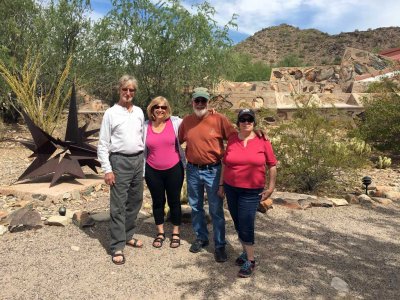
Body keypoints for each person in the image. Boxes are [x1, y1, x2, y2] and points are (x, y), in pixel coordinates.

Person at [178, 87, 236, 263]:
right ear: (192, 102)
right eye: (197, 100)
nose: (200, 104)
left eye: (203, 100)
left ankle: (219, 245)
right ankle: (201, 238)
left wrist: (255, 134)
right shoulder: (187, 121)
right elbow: (176, 140)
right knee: (195, 207)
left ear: (208, 102)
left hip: (214, 170)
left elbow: (234, 137)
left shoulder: (219, 119)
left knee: (216, 209)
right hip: (193, 170)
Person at [218, 108, 277, 278]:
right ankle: (245, 252)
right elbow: (225, 163)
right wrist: (221, 184)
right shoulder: (232, 139)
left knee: (246, 222)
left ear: (254, 122)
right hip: (231, 187)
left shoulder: (262, 140)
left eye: (249, 120)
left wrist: (271, 187)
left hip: (251, 190)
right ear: (238, 123)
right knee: (237, 221)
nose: (246, 122)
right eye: (242, 120)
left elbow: (271, 165)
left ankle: (250, 260)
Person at [97, 75, 145, 265]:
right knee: (118, 205)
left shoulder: (140, 112)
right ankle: (117, 245)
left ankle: (128, 235)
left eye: (132, 90)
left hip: (138, 160)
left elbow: (143, 138)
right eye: (125, 89)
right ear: (119, 90)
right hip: (119, 161)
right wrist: (107, 169)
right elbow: (102, 144)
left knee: (135, 201)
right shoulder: (111, 113)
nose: (128, 93)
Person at [143, 96, 186, 248]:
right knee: (157, 202)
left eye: (163, 107)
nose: (160, 110)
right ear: (152, 109)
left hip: (174, 168)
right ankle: (160, 232)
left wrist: (211, 113)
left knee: (174, 201)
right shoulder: (145, 126)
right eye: (157, 107)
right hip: (152, 169)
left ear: (167, 109)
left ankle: (175, 232)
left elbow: (195, 122)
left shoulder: (175, 123)